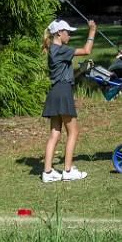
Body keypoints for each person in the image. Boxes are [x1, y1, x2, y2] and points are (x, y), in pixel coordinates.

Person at [41, 18, 97, 182]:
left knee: (55, 134)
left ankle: (48, 172)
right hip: (63, 93)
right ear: (59, 33)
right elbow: (86, 50)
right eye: (68, 32)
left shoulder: (53, 49)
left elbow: (65, 75)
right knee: (73, 131)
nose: (70, 35)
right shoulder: (61, 49)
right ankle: (67, 170)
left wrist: (81, 70)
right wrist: (92, 31)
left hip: (55, 93)